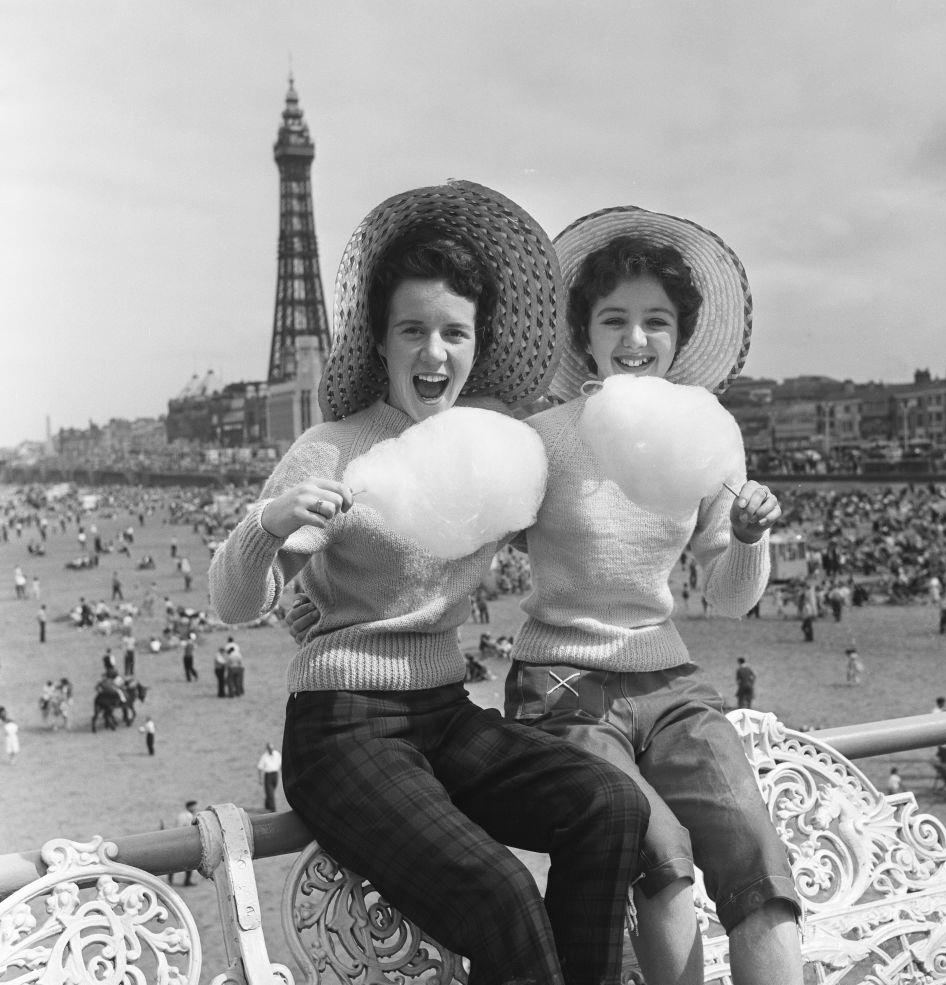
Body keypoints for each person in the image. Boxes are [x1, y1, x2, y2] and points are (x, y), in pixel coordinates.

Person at [210, 181, 649, 985]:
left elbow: (600, 524)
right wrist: (269, 521)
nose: (434, 353)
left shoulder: (496, 451)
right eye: (413, 330)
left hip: (446, 717)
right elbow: (234, 602)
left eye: (454, 331)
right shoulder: (335, 447)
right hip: (342, 730)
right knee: (502, 891)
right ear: (380, 341)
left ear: (479, 342)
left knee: (611, 807)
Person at [503, 212, 802, 984]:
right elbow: (468, 543)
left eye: (655, 322)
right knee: (660, 852)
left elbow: (731, 598)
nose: (636, 340)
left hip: (668, 681)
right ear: (586, 335)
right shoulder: (542, 438)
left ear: (679, 334)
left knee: (757, 857)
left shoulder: (707, 432)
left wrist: (746, 534)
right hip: (561, 682)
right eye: (616, 320)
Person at [169, 800, 198, 885]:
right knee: (190, 861)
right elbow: (189, 829)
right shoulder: (189, 816)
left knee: (174, 861)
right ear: (189, 807)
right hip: (184, 841)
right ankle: (187, 881)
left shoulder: (181, 815)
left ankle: (170, 880)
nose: (195, 808)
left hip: (177, 839)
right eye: (194, 806)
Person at [257, 742, 282, 812]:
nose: (271, 750)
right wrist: (260, 779)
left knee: (270, 792)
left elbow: (280, 765)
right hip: (268, 776)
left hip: (275, 775)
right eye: (269, 749)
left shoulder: (277, 754)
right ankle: (273, 809)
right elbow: (259, 767)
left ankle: (267, 805)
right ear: (267, 749)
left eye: (272, 748)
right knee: (270, 793)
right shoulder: (264, 756)